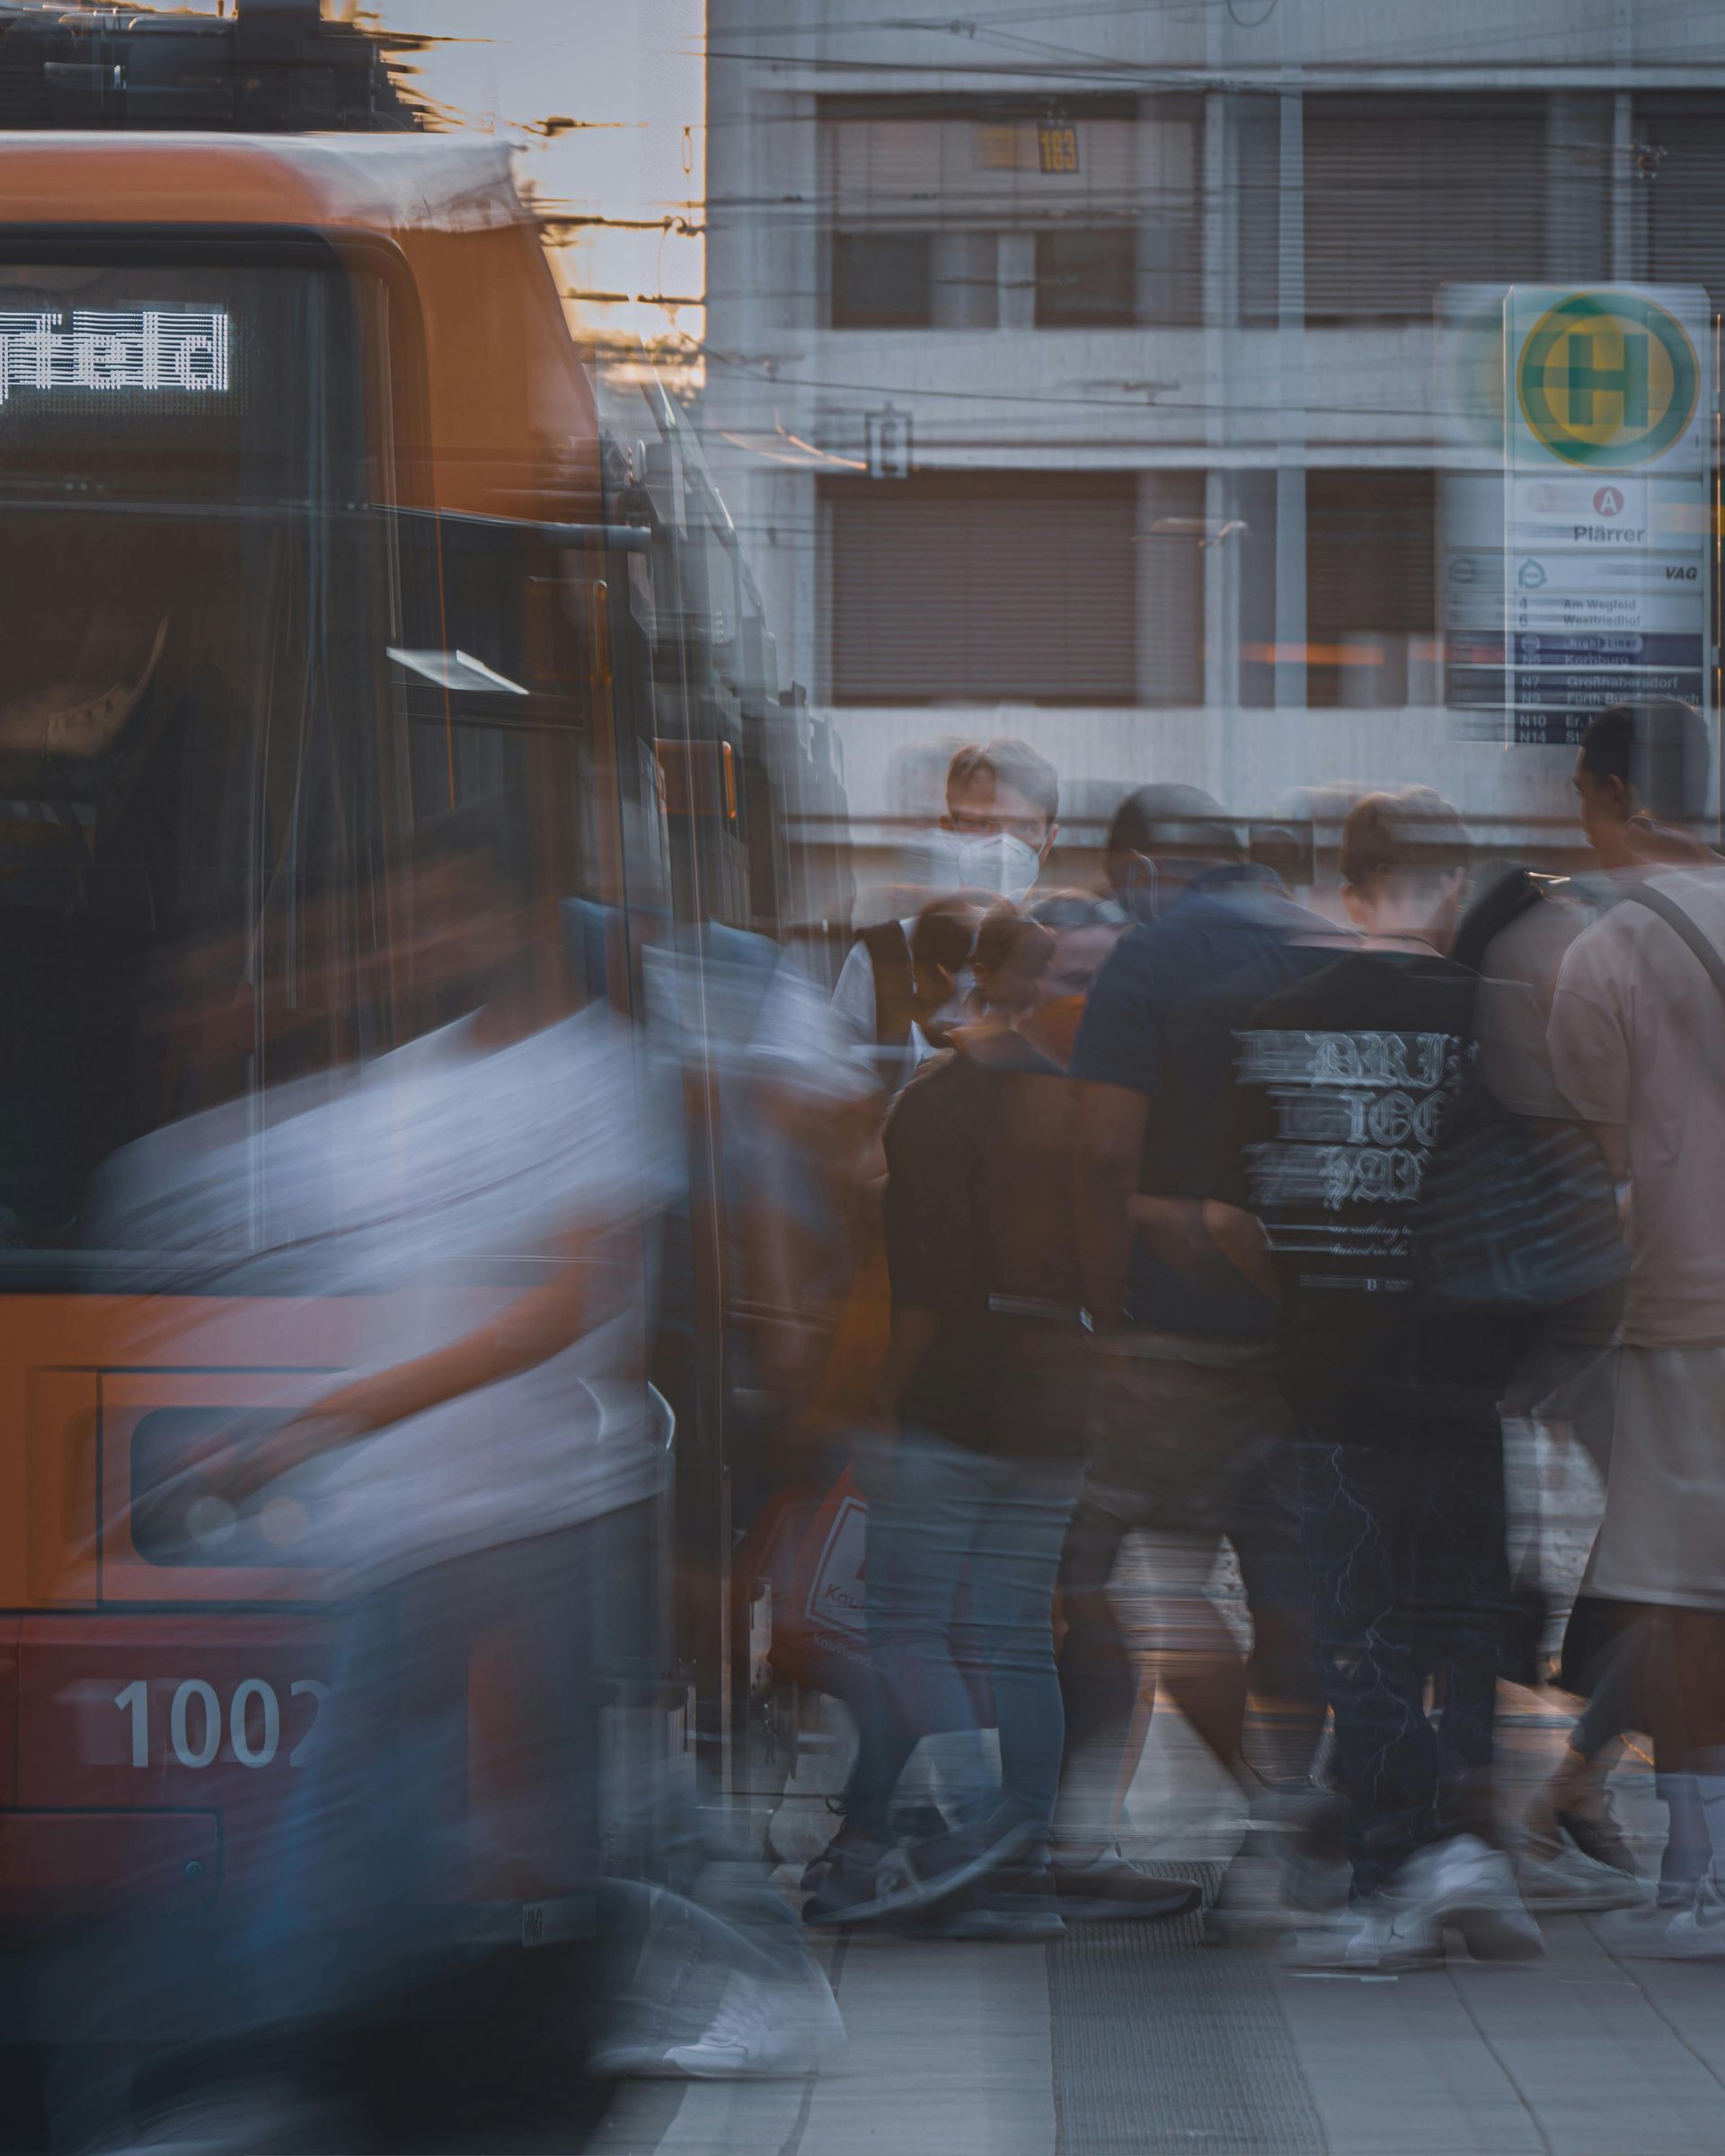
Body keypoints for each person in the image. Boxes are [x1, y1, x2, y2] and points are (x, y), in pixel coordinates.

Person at [1217, 788, 1541, 1973]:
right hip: (1466, 1374)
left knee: (1362, 1632)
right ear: (1449, 889)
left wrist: (1308, 1289)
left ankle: (1389, 1876)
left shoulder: (1277, 1016)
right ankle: (1467, 1844)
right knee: (1462, 1619)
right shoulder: (1499, 1016)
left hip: (1335, 1375)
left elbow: (1230, 1213)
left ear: (1344, 885)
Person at [807, 906, 1131, 1939]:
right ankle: (1018, 1863)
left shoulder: (933, 1109)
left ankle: (973, 1838)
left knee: (906, 1630)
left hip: (950, 1403)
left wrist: (883, 1404)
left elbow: (926, 1290)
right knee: (1017, 1641)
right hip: (1055, 1408)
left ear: (974, 982)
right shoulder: (1087, 1104)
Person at [1056, 789, 1338, 1931]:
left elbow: (1101, 1157)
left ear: (1136, 863)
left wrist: (1102, 1316)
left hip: (1177, 1324)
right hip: (1316, 1323)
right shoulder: (1322, 946)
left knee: (1145, 1577)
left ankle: (1232, 1812)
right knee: (1290, 1585)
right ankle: (1286, 1831)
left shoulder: (1147, 961)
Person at [1547, 702, 1725, 1958]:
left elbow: (1595, 1180)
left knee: (1683, 1597)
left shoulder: (1605, 951)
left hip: (1681, 1313)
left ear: (1600, 791)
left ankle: (1702, 1871)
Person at [831, 738, 1060, 1075]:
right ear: (947, 831)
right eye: (983, 825)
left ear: (1048, 842)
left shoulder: (1066, 960)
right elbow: (841, 1095)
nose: (1003, 847)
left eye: (1025, 828)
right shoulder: (883, 958)